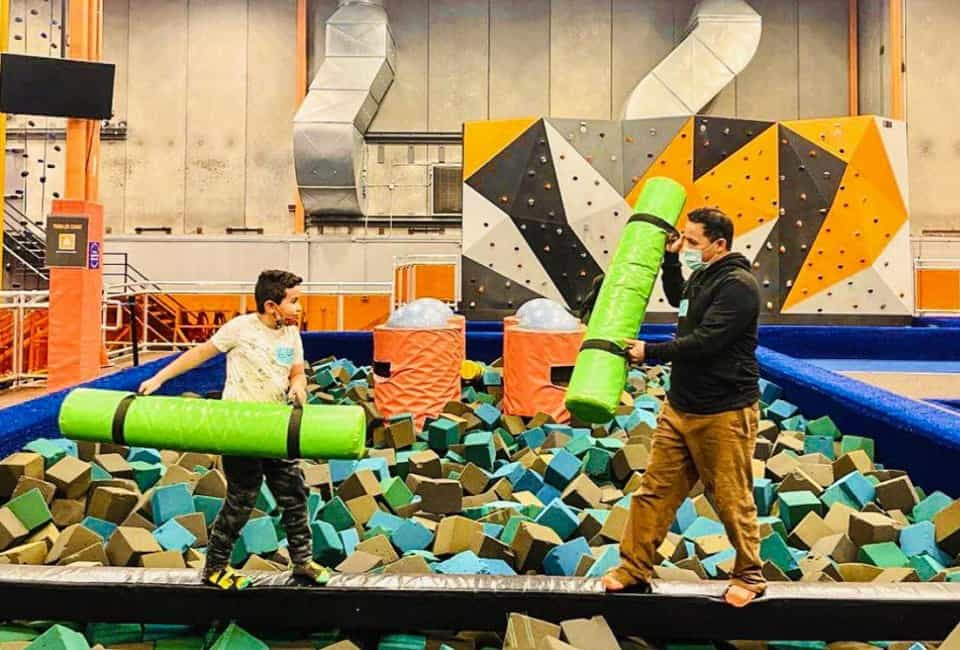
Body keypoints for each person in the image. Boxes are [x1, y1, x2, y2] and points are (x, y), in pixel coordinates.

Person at [602, 207, 764, 608]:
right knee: (653, 492)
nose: (686, 246)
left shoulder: (738, 286)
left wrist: (650, 351)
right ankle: (633, 568)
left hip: (724, 411)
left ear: (719, 244)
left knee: (730, 496)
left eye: (693, 242)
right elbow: (680, 300)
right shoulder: (704, 278)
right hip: (681, 408)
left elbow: (707, 341)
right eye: (684, 239)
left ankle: (750, 575)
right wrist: (673, 261)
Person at [138, 270, 331, 590]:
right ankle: (215, 567)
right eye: (293, 302)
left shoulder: (291, 335)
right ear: (272, 305)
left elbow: (297, 372)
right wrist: (160, 378)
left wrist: (299, 386)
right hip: (240, 428)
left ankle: (302, 562)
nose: (299, 308)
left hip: (276, 428)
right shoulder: (241, 329)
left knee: (295, 495)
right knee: (242, 499)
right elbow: (200, 354)